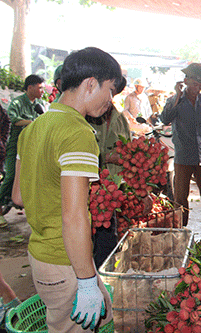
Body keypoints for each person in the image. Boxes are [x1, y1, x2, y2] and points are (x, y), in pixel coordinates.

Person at [12, 46, 121, 332]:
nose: (110, 101)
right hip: (66, 263)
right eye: (109, 90)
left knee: (104, 315)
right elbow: (74, 217)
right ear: (90, 83)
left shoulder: (34, 127)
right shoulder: (78, 132)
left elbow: (18, 197)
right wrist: (86, 283)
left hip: (40, 255)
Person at [160, 63, 201, 228]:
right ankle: (180, 232)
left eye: (200, 85)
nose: (198, 87)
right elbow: (165, 118)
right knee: (180, 199)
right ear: (186, 81)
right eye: (195, 84)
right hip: (183, 157)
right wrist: (176, 95)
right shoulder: (175, 101)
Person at [86, 76, 132, 268]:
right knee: (86, 239)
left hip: (110, 192)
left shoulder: (119, 118)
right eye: (109, 91)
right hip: (89, 189)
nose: (110, 98)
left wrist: (125, 157)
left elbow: (129, 149)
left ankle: (103, 278)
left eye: (114, 93)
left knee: (107, 239)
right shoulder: (87, 117)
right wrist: (105, 157)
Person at [0, 74, 45, 212]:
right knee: (11, 176)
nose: (42, 91)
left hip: (33, 146)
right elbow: (14, 120)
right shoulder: (17, 103)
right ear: (30, 87)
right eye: (40, 88)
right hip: (16, 146)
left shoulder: (39, 105)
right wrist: (33, 123)